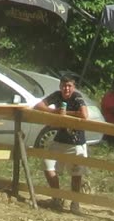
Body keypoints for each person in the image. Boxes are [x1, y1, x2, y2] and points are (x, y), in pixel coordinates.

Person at [34, 74, 90, 213]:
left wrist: (66, 114)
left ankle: (75, 202)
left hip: (76, 142)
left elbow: (84, 114)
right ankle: (57, 198)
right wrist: (54, 111)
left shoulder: (77, 97)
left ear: (74, 87)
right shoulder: (57, 95)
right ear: (60, 86)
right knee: (48, 166)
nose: (66, 89)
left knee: (76, 174)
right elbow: (38, 105)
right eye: (64, 85)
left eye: (69, 86)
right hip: (60, 139)